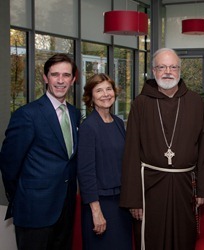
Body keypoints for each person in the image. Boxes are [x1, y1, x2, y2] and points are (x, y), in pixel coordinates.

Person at [119, 48, 204, 250]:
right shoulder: (140, 103)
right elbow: (131, 152)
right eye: (162, 67)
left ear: (180, 70)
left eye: (173, 67)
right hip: (149, 188)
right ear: (154, 71)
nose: (168, 71)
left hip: (185, 186)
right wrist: (134, 199)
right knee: (153, 239)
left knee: (183, 239)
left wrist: (203, 188)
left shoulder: (195, 102)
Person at [0, 53, 80, 250]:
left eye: (66, 75)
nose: (60, 81)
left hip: (66, 209)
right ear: (45, 78)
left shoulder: (74, 113)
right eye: (55, 75)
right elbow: (9, 165)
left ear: (73, 79)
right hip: (33, 210)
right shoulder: (27, 115)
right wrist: (22, 198)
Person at [77, 73, 132, 250]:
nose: (105, 94)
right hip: (100, 204)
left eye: (108, 89)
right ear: (91, 97)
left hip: (121, 204)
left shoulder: (117, 122)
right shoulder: (88, 126)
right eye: (99, 90)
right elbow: (86, 172)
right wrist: (96, 212)